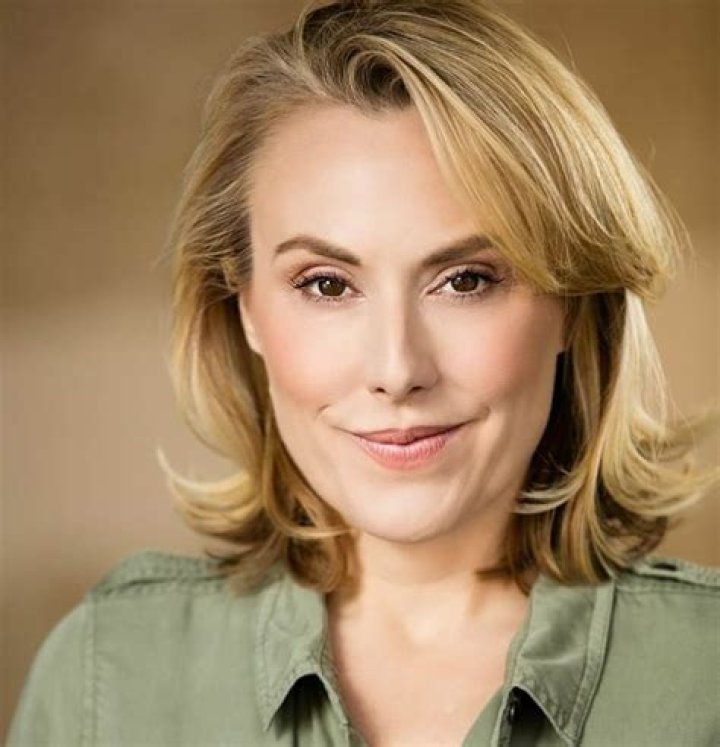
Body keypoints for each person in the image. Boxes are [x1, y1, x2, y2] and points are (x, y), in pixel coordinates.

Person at [7, 1, 719, 745]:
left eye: (466, 280)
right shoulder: (105, 678)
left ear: (572, 304)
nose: (396, 369)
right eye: (326, 284)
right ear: (245, 307)